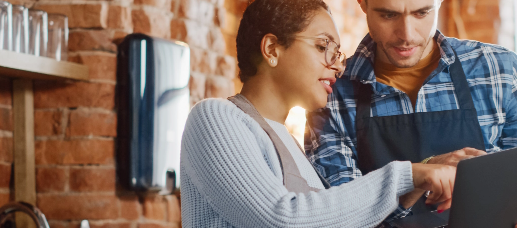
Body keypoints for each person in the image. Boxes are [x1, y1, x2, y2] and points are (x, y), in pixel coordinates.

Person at [177, 0, 458, 227]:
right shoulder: (215, 116)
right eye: (323, 47)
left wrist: (421, 176)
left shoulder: (292, 145)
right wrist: (405, 175)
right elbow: (282, 219)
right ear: (272, 49)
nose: (337, 67)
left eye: (338, 54)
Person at [305, 0, 517, 226]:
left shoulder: (501, 71)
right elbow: (342, 218)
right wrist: (419, 173)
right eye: (389, 15)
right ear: (363, 3)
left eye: (422, 13)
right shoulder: (331, 94)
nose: (407, 35)